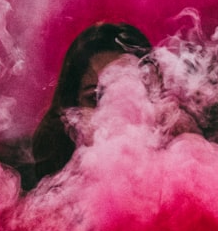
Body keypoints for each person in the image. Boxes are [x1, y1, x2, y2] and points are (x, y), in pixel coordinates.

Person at [30, 22, 151, 184]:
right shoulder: (38, 187)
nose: (108, 115)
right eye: (95, 98)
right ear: (72, 104)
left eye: (126, 95)